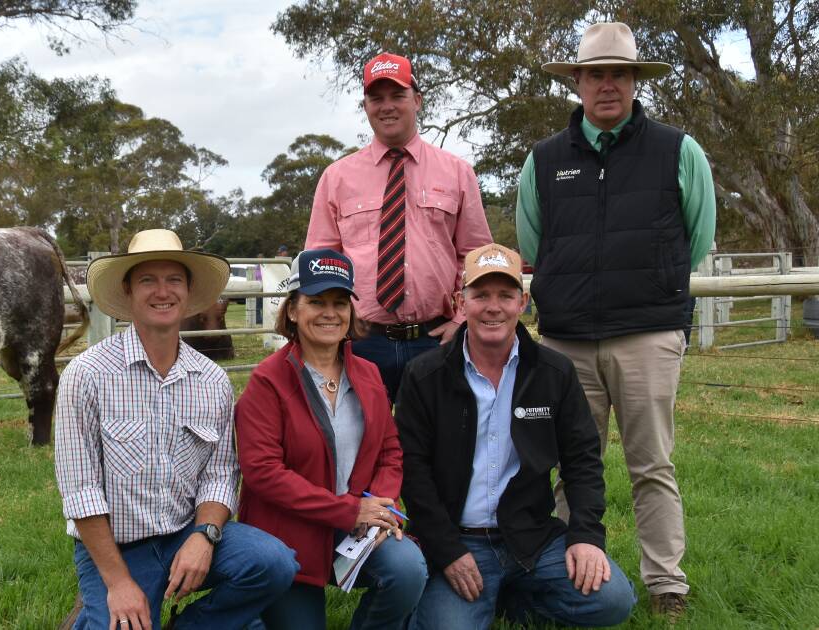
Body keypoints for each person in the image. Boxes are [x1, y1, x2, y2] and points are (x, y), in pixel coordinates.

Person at [515, 22, 717, 619]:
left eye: (619, 73)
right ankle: (555, 575)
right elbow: (534, 241)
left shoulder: (679, 150)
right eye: (596, 73)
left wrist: (654, 289)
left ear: (634, 81)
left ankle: (666, 583)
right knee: (562, 464)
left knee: (651, 463)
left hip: (648, 334)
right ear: (576, 82)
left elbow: (696, 237)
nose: (608, 84)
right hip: (567, 339)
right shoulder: (544, 160)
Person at [53, 229, 298, 630]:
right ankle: (97, 605)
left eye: (174, 280)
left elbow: (221, 474)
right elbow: (80, 492)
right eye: (148, 280)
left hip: (186, 533)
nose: (161, 291)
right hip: (119, 549)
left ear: (187, 292)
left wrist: (204, 535)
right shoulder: (87, 375)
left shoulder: (213, 381)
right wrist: (118, 583)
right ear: (129, 292)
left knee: (273, 563)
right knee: (121, 616)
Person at [395, 243, 635, 629]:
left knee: (613, 601)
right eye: (481, 295)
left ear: (522, 302)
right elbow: (413, 470)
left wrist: (586, 536)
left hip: (533, 538)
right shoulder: (425, 376)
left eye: (505, 295)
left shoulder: (554, 372)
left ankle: (509, 597)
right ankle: (475, 596)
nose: (494, 307)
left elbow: (582, 460)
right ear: (461, 301)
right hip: (459, 540)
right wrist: (447, 551)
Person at [235, 249, 428, 629]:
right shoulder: (267, 381)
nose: (330, 313)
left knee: (408, 571)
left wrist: (378, 511)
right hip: (288, 533)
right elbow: (262, 472)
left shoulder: (369, 374)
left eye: (340, 303)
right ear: (292, 310)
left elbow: (390, 451)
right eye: (316, 302)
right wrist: (347, 510)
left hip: (355, 523)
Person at [306, 52, 492, 403]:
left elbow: (476, 257)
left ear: (417, 100)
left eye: (398, 96)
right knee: (359, 449)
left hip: (434, 338)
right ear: (365, 106)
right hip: (360, 341)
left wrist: (461, 320)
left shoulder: (457, 173)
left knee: (436, 450)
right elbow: (321, 264)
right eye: (377, 98)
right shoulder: (337, 177)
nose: (386, 106)